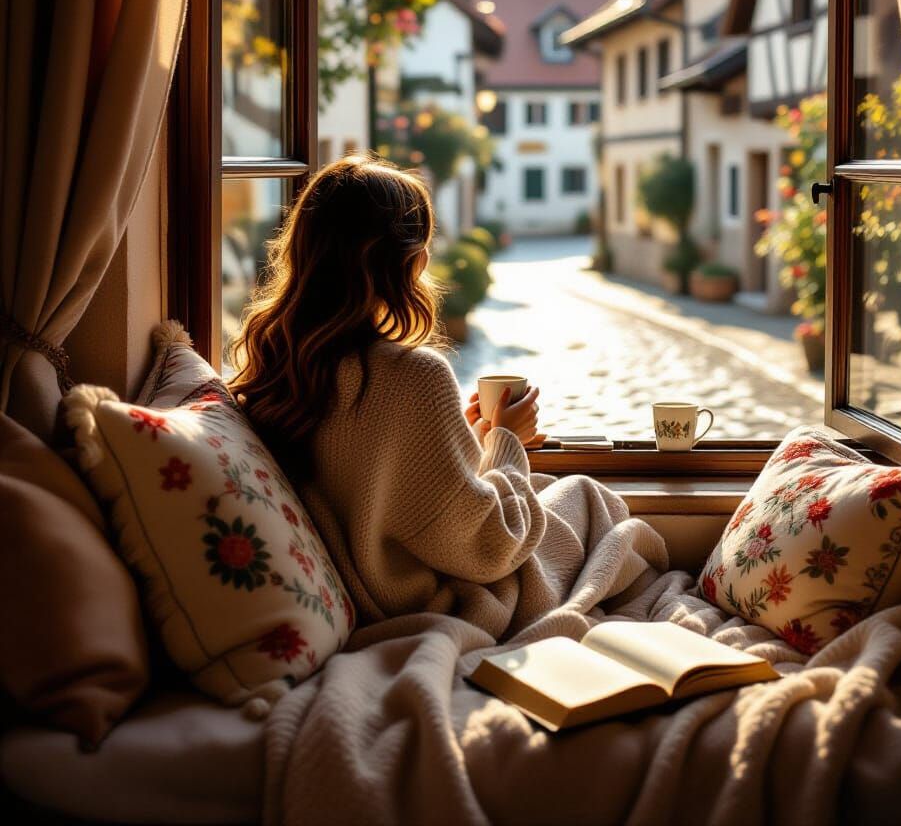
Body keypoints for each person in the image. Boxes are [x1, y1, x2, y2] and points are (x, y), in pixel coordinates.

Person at [230, 155, 667, 639]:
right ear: (406, 259)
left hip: (360, 590)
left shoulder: (276, 364)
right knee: (588, 497)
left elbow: (382, 487)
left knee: (552, 496)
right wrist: (506, 440)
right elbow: (489, 546)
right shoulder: (413, 375)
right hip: (436, 600)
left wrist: (466, 438)